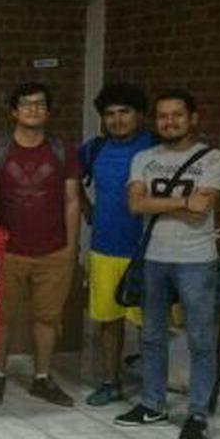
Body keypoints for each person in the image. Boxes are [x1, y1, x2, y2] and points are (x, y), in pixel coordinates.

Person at [116, 90, 220, 439]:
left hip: (197, 260)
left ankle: (197, 413)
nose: (169, 121)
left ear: (193, 118)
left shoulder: (212, 158)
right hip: (154, 258)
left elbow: (203, 208)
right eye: (163, 116)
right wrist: (182, 200)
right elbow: (135, 204)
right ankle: (153, 403)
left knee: (199, 337)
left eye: (177, 115)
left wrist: (157, 203)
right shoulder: (143, 157)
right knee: (150, 335)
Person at [0, 82, 82, 408]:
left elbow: (71, 200)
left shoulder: (62, 150)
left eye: (40, 104)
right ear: (14, 111)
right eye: (26, 104)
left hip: (53, 249)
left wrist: (70, 247)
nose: (33, 109)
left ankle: (42, 378)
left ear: (48, 112)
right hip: (7, 250)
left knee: (47, 318)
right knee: (0, 319)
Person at [79, 83, 155, 406]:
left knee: (150, 325)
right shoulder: (94, 149)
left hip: (147, 251)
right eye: (110, 114)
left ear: (139, 115)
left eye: (125, 112)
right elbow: (71, 183)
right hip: (105, 248)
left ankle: (154, 390)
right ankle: (111, 382)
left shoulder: (154, 147)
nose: (117, 119)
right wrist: (88, 210)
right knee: (108, 321)